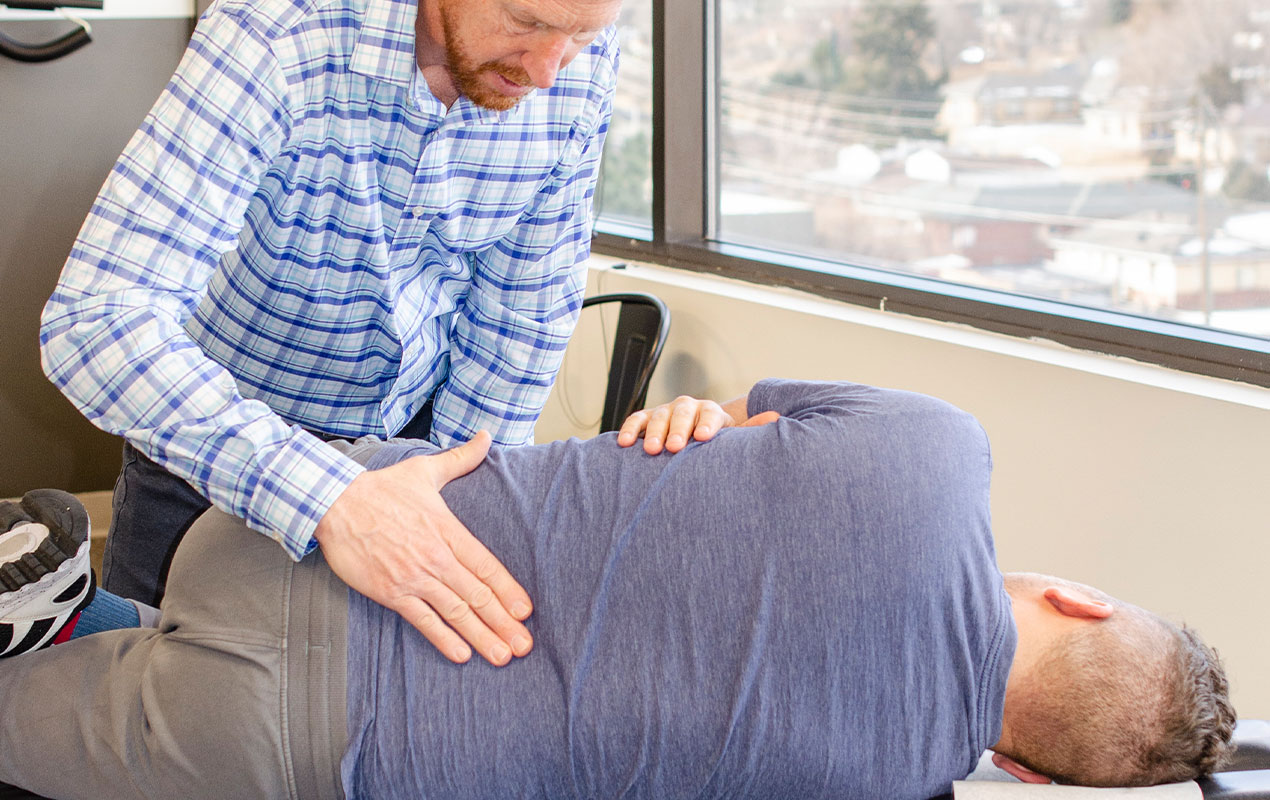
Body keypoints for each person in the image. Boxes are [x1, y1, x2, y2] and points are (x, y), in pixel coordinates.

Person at [0, 379, 1235, 799]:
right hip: (295, 753)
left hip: (311, 525)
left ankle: (64, 597)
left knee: (157, 611)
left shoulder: (933, 446)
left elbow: (725, 423)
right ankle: (69, 636)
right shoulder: (895, 782)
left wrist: (707, 423)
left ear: (1081, 600)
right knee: (85, 714)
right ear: (1013, 769)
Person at [39, 0, 626, 666]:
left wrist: (468, 499)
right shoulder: (278, 28)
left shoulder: (578, 58)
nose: (549, 71)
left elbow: (522, 309)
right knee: (135, 700)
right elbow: (97, 318)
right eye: (525, 23)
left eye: (580, 35)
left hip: (413, 448)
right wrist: (331, 496)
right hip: (214, 442)